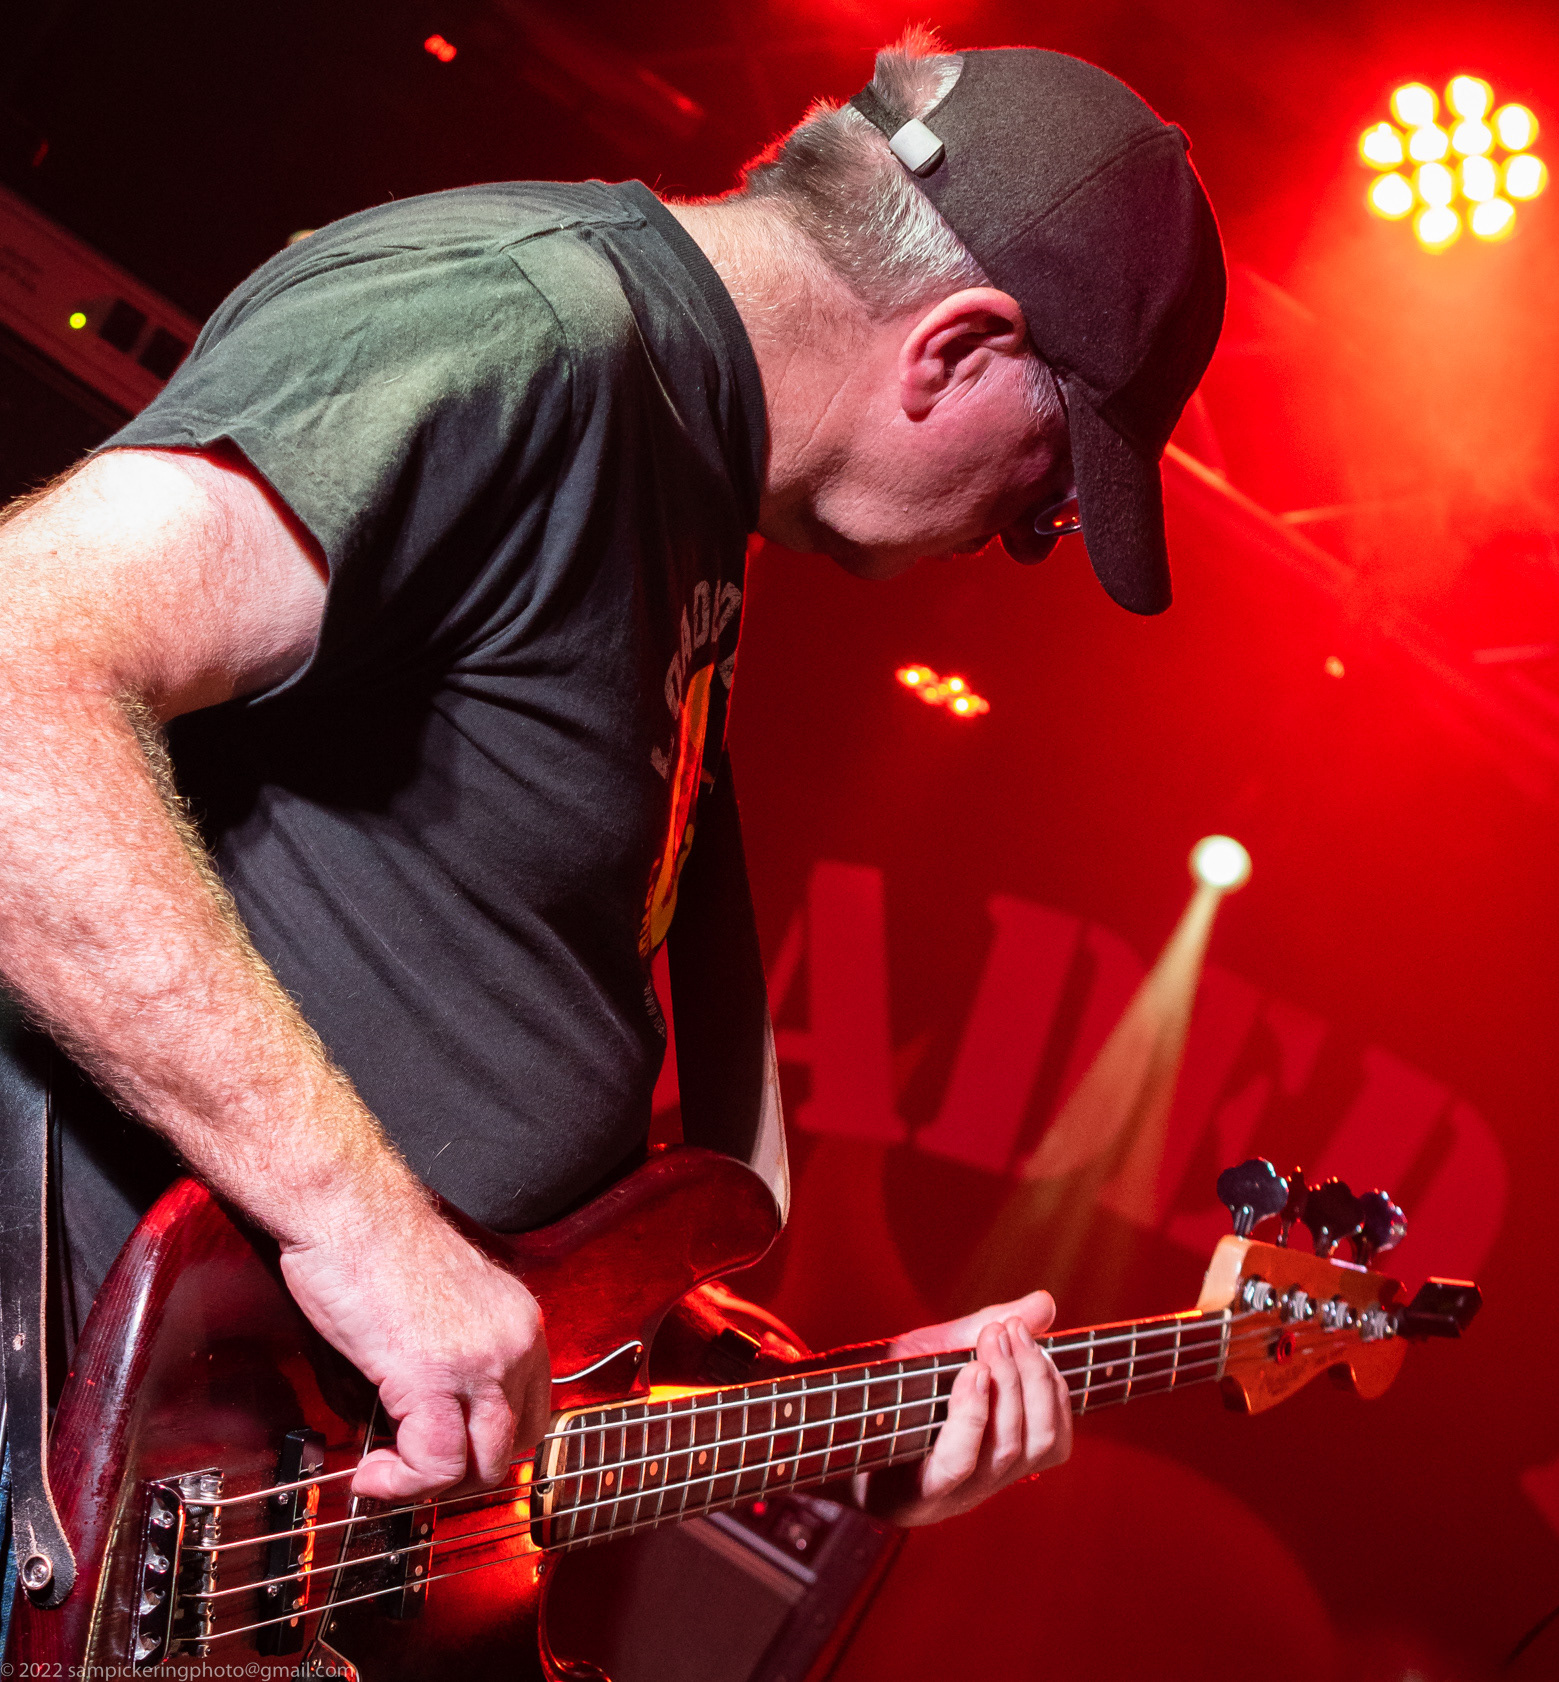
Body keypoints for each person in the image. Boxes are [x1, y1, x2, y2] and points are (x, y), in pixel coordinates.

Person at [0, 29, 1224, 1581]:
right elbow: (20, 674)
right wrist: (359, 1230)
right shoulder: (528, 332)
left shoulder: (687, 491)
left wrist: (830, 1414)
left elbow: (483, 1121)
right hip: (58, 1450)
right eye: (1051, 488)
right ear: (956, 347)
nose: (1023, 537)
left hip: (241, 1505)